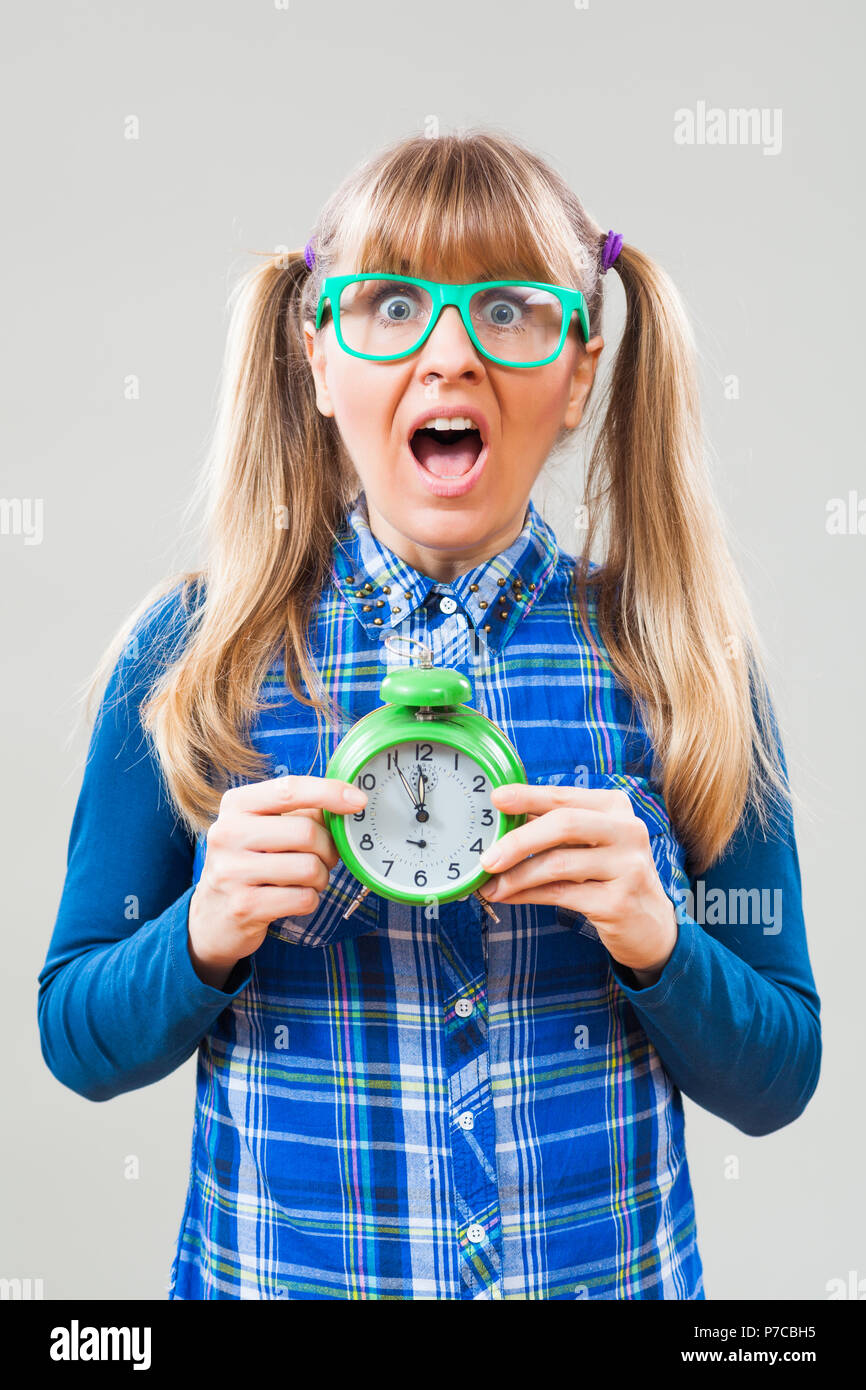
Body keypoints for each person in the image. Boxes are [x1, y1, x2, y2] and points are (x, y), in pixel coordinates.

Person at [37, 128, 821, 1300]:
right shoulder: (190, 659)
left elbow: (779, 1073)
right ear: (315, 357)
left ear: (578, 371)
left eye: (507, 310)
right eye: (392, 306)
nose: (449, 355)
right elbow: (75, 1037)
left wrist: (656, 938)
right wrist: (200, 931)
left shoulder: (679, 660)